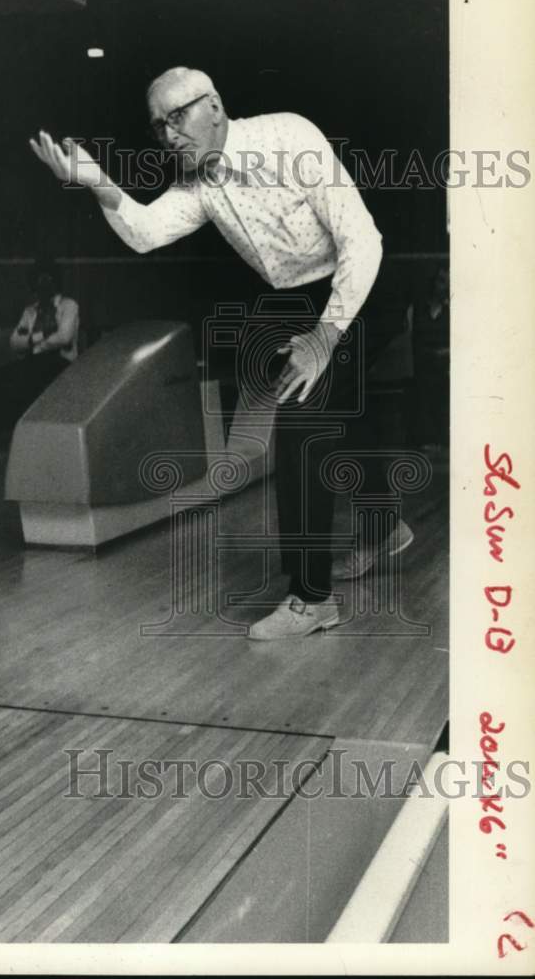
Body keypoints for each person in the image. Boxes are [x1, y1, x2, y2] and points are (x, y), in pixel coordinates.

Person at [29, 66, 412, 639]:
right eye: (158, 126)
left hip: (366, 281)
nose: (168, 135)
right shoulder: (198, 185)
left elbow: (362, 241)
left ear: (213, 106)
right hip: (301, 296)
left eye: (177, 117)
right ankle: (383, 528)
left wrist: (325, 337)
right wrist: (96, 181)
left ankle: (311, 600)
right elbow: (145, 232)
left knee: (303, 416)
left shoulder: (288, 137)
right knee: (333, 406)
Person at [0, 259, 79, 431]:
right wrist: (41, 335)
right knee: (5, 376)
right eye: (39, 280)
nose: (43, 284)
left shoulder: (68, 306)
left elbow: (64, 337)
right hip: (34, 360)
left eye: (48, 279)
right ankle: (12, 434)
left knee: (35, 377)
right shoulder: (30, 311)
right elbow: (14, 342)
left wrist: (36, 347)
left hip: (61, 362)